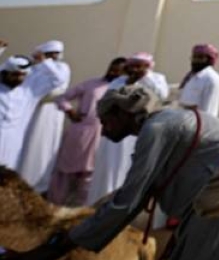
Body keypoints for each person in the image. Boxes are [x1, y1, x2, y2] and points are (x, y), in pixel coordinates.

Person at [0, 83, 219, 260]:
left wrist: (55, 248)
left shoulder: (156, 128)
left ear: (122, 113)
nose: (103, 132)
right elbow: (131, 194)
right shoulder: (166, 122)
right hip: (218, 200)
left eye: (106, 122)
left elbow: (128, 202)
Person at [88, 52, 170, 204]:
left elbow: (161, 94)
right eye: (133, 65)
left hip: (135, 131)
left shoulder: (156, 79)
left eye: (139, 66)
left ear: (147, 66)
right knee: (108, 166)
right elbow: (109, 98)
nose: (135, 69)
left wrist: (144, 78)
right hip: (117, 130)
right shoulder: (119, 80)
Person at [48, 57, 127, 206]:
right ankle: (54, 204)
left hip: (102, 136)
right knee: (65, 171)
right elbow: (62, 98)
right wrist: (70, 111)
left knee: (89, 176)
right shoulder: (92, 84)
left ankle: (78, 212)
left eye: (118, 70)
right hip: (80, 132)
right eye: (112, 67)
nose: (113, 72)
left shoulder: (123, 89)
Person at [17, 40, 72, 192]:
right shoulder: (34, 70)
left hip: (49, 111)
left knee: (43, 146)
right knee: (26, 145)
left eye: (55, 54)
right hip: (31, 110)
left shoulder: (61, 68)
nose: (53, 57)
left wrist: (45, 63)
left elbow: (58, 81)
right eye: (49, 54)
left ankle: (38, 186)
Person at [0, 56, 58, 169]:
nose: (19, 78)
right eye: (15, 75)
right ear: (5, 73)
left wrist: (45, 62)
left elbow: (58, 80)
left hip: (12, 142)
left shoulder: (29, 92)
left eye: (22, 75)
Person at [178, 42, 219, 116]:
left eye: (200, 57)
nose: (195, 60)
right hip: (185, 121)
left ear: (209, 59)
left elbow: (208, 109)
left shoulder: (211, 78)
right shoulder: (190, 77)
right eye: (194, 57)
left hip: (201, 123)